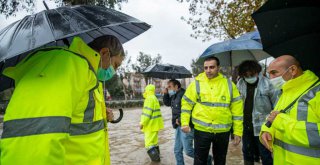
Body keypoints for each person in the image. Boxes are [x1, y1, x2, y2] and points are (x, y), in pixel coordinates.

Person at [0, 35, 124, 165]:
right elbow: (36, 144)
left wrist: (104, 116)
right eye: (115, 65)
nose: (114, 71)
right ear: (104, 53)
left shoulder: (90, 75)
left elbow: (79, 119)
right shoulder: (65, 65)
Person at [181, 56, 244, 165]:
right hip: (202, 131)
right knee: (199, 161)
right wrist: (185, 123)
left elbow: (237, 111)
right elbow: (186, 104)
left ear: (218, 68)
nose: (208, 70)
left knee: (220, 161)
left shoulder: (229, 85)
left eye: (211, 67)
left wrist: (238, 132)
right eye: (205, 68)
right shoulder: (197, 83)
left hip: (223, 132)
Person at [260, 55, 320, 165]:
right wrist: (267, 129)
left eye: (274, 73)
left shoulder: (316, 92)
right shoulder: (286, 91)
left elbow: (279, 119)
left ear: (292, 70)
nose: (271, 78)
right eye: (269, 74)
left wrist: (282, 123)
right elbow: (275, 116)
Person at [237, 60, 276, 165]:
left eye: (251, 74)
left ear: (257, 72)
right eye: (246, 75)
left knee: (265, 153)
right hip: (246, 126)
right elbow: (236, 104)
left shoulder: (268, 84)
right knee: (247, 152)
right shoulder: (240, 84)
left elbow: (277, 106)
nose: (249, 77)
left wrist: (271, 125)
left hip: (263, 126)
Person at [162, 79, 195, 165]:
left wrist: (180, 120)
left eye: (170, 86)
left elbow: (190, 110)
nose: (168, 88)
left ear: (176, 86)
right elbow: (168, 103)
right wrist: (166, 93)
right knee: (177, 150)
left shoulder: (185, 94)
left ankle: (207, 159)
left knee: (188, 151)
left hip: (185, 125)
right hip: (177, 126)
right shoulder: (174, 95)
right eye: (168, 87)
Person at [140, 84, 164, 162]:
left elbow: (147, 113)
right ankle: (158, 159)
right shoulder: (154, 98)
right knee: (154, 143)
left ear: (147, 90)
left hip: (150, 125)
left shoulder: (149, 99)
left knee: (149, 144)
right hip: (155, 125)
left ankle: (156, 161)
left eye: (145, 90)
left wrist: (142, 123)